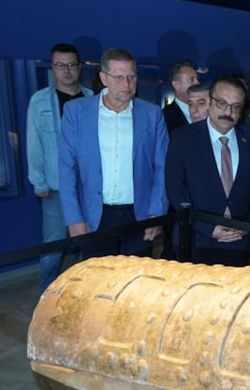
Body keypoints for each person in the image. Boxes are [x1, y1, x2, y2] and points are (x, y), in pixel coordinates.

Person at [58, 47, 168, 260]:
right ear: (103, 78)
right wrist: (74, 218)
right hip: (95, 216)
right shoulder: (76, 112)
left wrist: (157, 214)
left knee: (136, 276)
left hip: (140, 215)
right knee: (97, 277)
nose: (126, 84)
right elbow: (67, 169)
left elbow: (162, 167)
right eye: (118, 77)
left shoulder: (152, 114)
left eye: (131, 77)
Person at [166, 76, 250, 266]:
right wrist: (207, 228)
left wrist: (248, 227)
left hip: (239, 241)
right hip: (194, 240)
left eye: (236, 107)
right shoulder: (183, 138)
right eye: (222, 103)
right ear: (210, 102)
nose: (228, 112)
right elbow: (175, 189)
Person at [27, 43, 93, 293]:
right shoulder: (40, 101)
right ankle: (46, 297)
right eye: (60, 65)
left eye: (71, 64)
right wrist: (39, 182)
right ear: (52, 67)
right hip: (55, 189)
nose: (66, 70)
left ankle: (86, 296)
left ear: (79, 67)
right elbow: (33, 142)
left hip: (89, 188)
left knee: (90, 245)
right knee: (52, 249)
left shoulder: (92, 99)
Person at [162, 60, 200, 133]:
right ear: (176, 84)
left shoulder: (207, 111)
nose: (197, 83)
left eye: (197, 79)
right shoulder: (166, 116)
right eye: (191, 80)